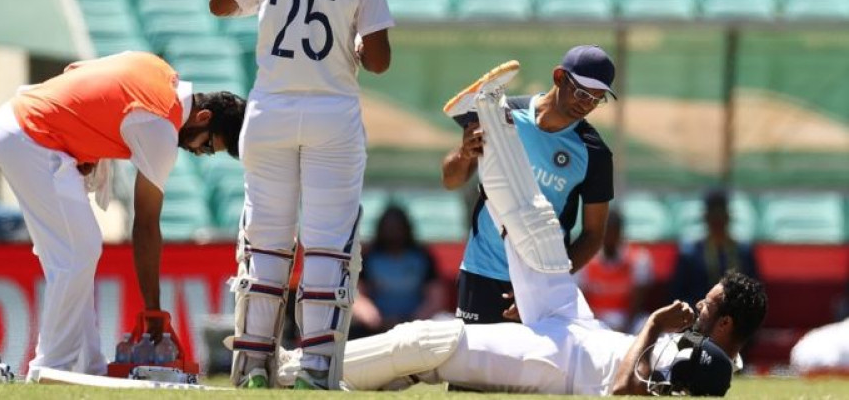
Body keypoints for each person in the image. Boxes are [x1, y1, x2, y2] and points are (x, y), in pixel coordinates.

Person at [277, 68, 768, 396]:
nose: (700, 305)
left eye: (710, 302)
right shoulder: (704, 353)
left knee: (430, 343)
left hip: (563, 359)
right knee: (536, 226)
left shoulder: (704, 369)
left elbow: (620, 392)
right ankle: (488, 112)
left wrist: (655, 325)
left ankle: (300, 369)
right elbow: (450, 177)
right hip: (576, 321)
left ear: (727, 325)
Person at [207, 0, 394, 390]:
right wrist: (349, 40)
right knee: (328, 245)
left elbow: (219, 3)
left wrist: (269, 4)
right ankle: (313, 370)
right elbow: (378, 60)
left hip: (269, 109)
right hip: (331, 114)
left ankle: (250, 368)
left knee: (265, 242)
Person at [0, 51, 246, 380]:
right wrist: (153, 308)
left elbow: (76, 72)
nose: (199, 152)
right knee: (78, 252)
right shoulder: (160, 129)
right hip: (31, 135)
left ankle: (88, 368)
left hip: (22, 124)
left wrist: (84, 143)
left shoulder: (159, 70)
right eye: (208, 146)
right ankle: (49, 368)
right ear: (204, 116)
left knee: (72, 258)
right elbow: (146, 225)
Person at [441, 46, 616, 326]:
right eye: (582, 93)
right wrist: (464, 154)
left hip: (537, 282)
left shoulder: (595, 152)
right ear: (559, 77)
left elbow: (594, 235)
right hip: (480, 269)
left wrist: (544, 287)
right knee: (470, 369)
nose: (586, 104)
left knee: (529, 369)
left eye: (597, 99)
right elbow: (451, 180)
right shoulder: (504, 113)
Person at [352, 204, 446, 337]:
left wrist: (415, 320)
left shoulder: (422, 257)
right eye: (389, 227)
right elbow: (357, 295)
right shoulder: (368, 257)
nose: (393, 231)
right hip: (376, 327)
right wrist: (372, 316)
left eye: (397, 227)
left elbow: (435, 297)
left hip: (417, 327)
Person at [670, 189, 759, 308]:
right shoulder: (690, 253)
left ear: (728, 217)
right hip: (699, 316)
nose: (718, 222)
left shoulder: (743, 252)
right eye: (714, 217)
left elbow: (755, 293)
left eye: (721, 216)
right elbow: (678, 296)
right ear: (706, 218)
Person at [577, 208, 654, 333]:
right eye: (606, 232)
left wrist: (624, 327)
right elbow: (582, 299)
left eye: (614, 231)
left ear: (620, 232)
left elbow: (638, 300)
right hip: (596, 321)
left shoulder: (639, 258)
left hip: (628, 321)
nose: (610, 237)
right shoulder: (586, 261)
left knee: (647, 327)